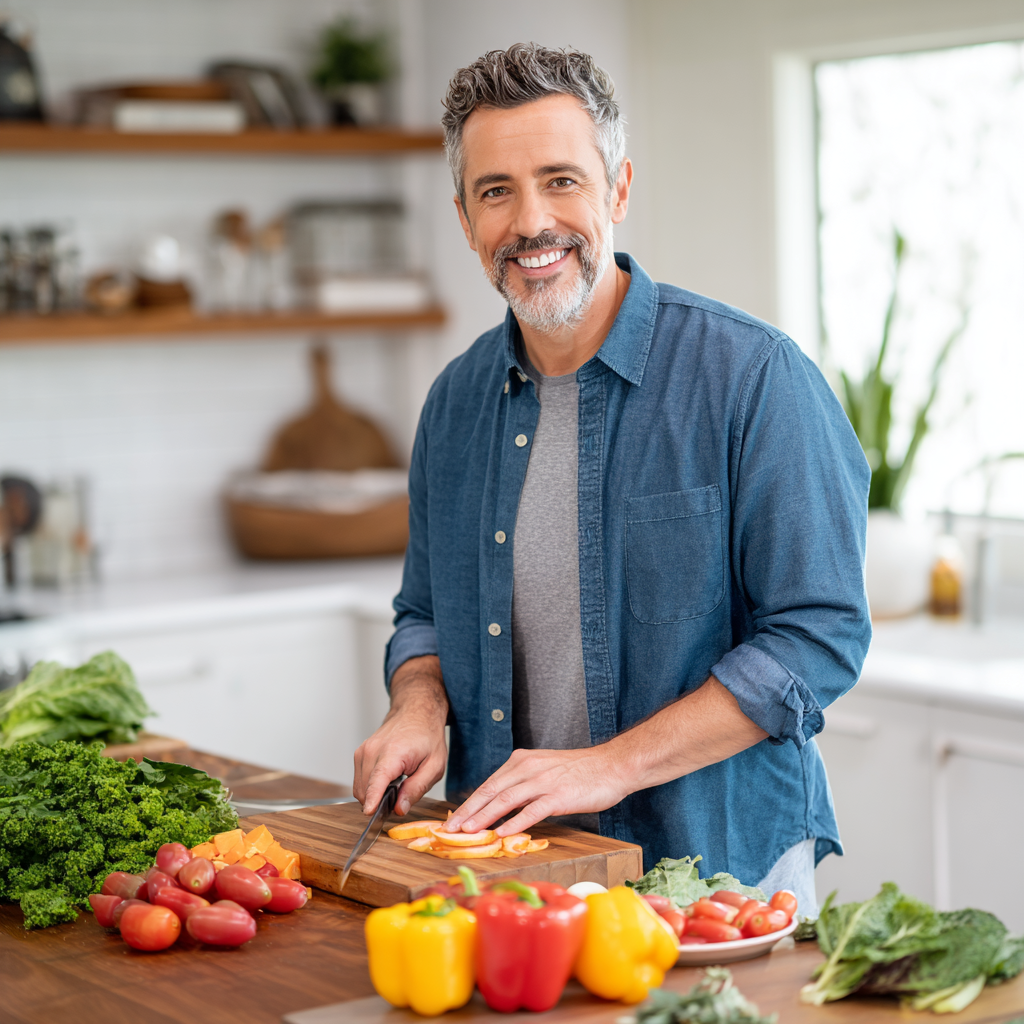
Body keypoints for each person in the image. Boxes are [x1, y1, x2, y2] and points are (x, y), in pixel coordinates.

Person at [353, 43, 871, 914]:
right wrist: (416, 701)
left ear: (618, 190)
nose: (530, 223)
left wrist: (607, 767)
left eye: (561, 180)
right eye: (496, 191)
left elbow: (818, 637)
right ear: (463, 216)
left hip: (718, 875)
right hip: (513, 870)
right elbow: (425, 616)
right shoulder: (455, 403)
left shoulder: (753, 377)